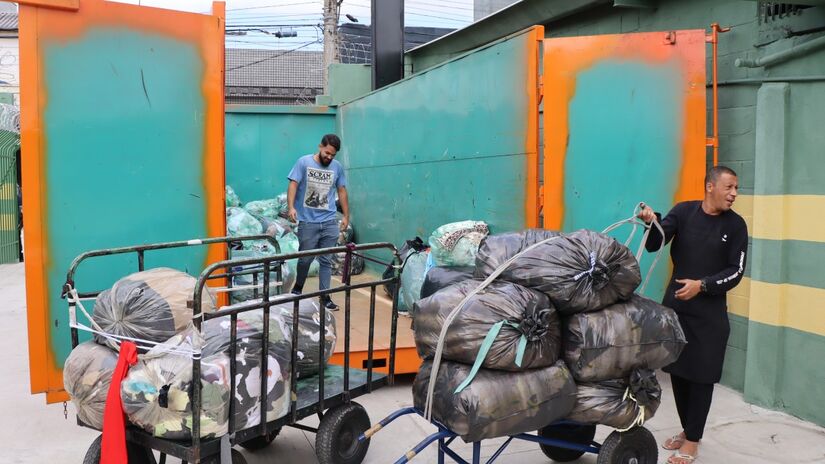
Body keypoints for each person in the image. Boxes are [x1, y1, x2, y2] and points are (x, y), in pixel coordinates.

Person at [638, 165, 748, 464]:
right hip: (677, 310)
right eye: (730, 187)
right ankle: (688, 430)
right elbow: (656, 243)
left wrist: (703, 286)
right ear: (710, 186)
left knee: (701, 377)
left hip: (710, 316)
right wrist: (652, 220)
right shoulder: (684, 212)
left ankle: (693, 441)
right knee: (679, 373)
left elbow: (736, 272)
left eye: (736, 188)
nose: (734, 194)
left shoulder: (736, 226)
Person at [287, 134, 349, 310]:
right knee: (305, 259)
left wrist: (346, 216)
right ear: (320, 146)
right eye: (327, 153)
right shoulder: (304, 162)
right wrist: (291, 207)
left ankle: (325, 297)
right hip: (308, 222)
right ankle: (298, 288)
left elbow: (342, 191)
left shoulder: (337, 168)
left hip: (329, 221)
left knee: (326, 261)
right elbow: (293, 184)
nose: (329, 157)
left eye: (333, 155)